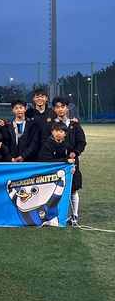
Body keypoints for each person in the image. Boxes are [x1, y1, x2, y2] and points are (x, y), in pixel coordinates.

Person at [52, 96, 86, 225]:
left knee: (73, 188)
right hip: (54, 162)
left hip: (71, 162)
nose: (60, 109)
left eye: (63, 107)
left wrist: (75, 153)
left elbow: (81, 142)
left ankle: (75, 215)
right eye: (57, 107)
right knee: (53, 188)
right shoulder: (50, 125)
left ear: (67, 108)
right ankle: (55, 215)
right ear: (54, 109)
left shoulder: (74, 125)